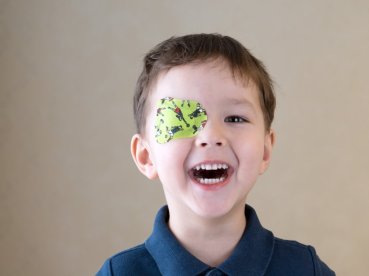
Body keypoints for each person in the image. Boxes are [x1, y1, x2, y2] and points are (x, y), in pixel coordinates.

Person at [97, 33, 335, 276]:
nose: (211, 136)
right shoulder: (119, 273)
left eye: (234, 118)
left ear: (264, 150)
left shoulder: (305, 269)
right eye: (183, 119)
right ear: (146, 157)